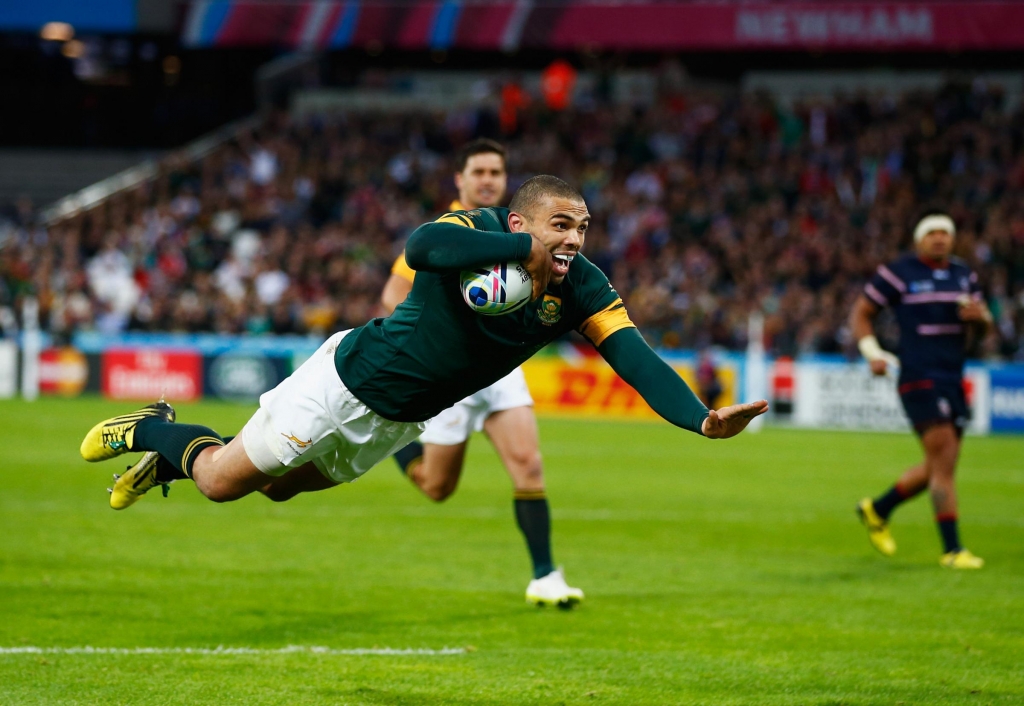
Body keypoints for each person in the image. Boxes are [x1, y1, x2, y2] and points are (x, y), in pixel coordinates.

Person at [82, 176, 768, 599]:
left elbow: (636, 358)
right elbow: (420, 250)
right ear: (522, 221)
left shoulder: (584, 286)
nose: (575, 240)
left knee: (280, 487)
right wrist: (513, 253)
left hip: (397, 423)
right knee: (222, 484)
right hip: (347, 382)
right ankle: (150, 429)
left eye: (583, 228)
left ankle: (171, 450)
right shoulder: (477, 231)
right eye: (562, 226)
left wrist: (701, 421)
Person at [381, 139, 580, 607]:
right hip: (453, 373)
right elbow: (392, 295)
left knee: (528, 465)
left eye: (496, 172)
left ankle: (544, 575)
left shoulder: (518, 230)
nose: (488, 180)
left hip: (500, 368)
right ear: (461, 179)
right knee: (436, 487)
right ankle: (393, 440)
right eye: (479, 171)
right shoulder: (447, 229)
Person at [851, 212, 993, 569]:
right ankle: (953, 550)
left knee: (938, 465)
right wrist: (873, 352)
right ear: (919, 239)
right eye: (932, 233)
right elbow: (861, 313)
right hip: (918, 375)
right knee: (944, 464)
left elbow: (985, 326)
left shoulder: (965, 274)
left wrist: (983, 320)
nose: (940, 238)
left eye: (946, 233)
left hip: (953, 375)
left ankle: (876, 509)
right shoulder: (900, 272)